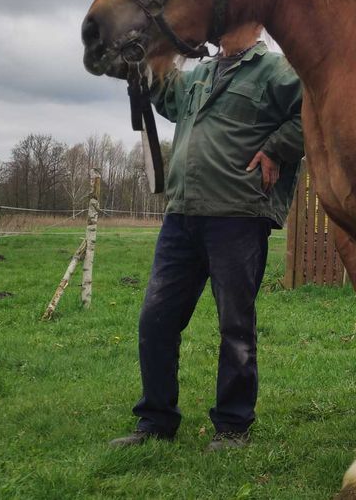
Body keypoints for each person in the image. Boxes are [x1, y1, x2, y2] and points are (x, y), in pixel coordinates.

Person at [110, 23, 304, 451]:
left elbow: (314, 110)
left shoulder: (276, 70)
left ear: (252, 21)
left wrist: (277, 148)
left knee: (235, 325)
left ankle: (233, 426)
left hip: (237, 214)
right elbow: (167, 98)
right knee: (155, 319)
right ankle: (155, 420)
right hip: (182, 215)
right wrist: (142, 66)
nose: (215, 26)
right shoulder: (198, 74)